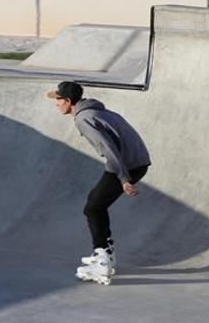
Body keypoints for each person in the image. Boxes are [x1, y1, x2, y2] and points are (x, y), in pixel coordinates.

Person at [48, 81, 151, 284]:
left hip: (126, 165)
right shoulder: (97, 110)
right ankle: (106, 252)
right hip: (136, 161)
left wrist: (123, 179)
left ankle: (102, 259)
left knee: (93, 208)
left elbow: (108, 148)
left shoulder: (83, 118)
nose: (56, 104)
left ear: (68, 101)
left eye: (58, 100)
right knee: (96, 203)